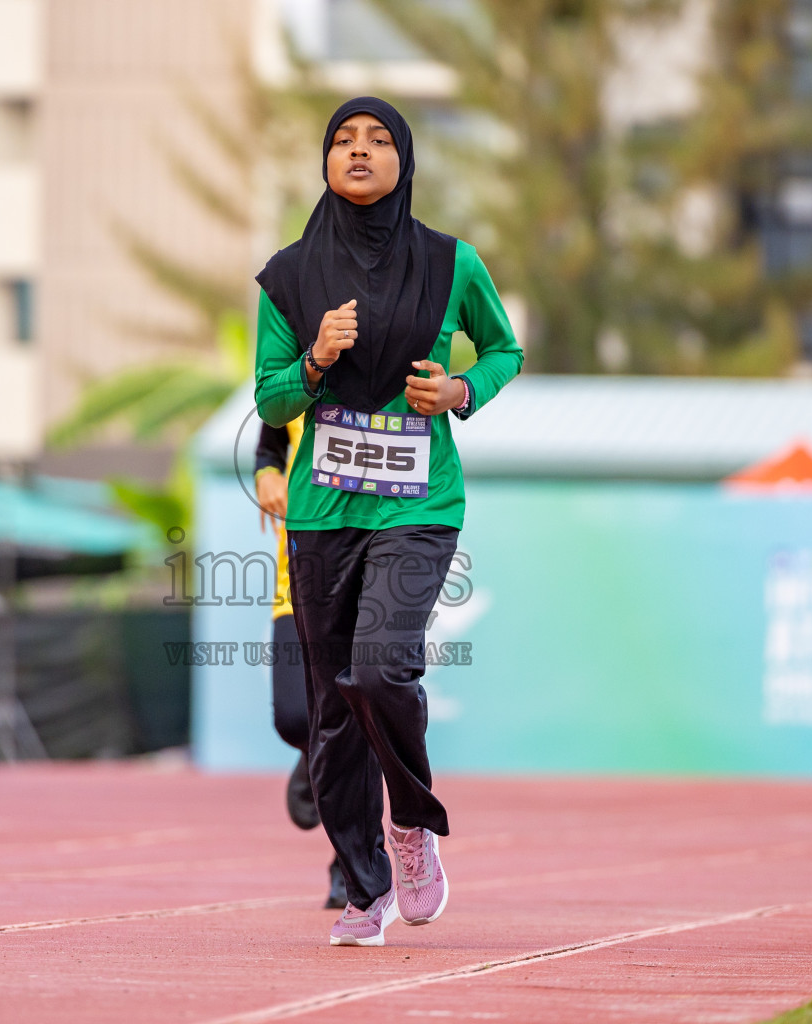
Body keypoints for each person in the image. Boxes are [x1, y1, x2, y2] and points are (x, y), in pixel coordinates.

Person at [254, 97, 522, 945]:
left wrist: (461, 391)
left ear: (405, 161)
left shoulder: (452, 264)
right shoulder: (288, 278)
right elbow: (270, 397)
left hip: (419, 507)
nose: (359, 151)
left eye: (378, 141)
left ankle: (411, 824)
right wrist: (316, 358)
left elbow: (505, 349)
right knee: (332, 713)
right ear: (325, 163)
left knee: (378, 673)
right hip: (323, 514)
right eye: (343, 140)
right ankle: (364, 886)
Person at [255, 419, 347, 909]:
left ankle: (349, 865)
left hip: (365, 570)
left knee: (359, 719)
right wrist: (266, 474)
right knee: (294, 715)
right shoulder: (299, 375)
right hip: (297, 575)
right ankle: (314, 743)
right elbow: (268, 446)